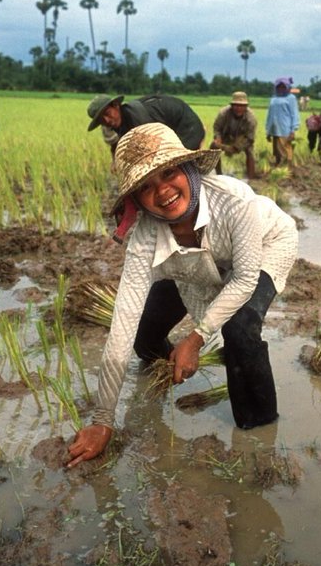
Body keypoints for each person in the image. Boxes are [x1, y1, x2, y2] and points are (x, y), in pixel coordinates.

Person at [66, 123, 298, 467]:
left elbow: (245, 278)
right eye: (146, 186)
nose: (162, 192)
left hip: (265, 246)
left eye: (169, 173)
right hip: (198, 263)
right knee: (143, 335)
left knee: (240, 329)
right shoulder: (145, 237)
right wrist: (102, 421)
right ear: (136, 199)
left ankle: (259, 429)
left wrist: (195, 339)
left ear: (189, 168)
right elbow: (123, 322)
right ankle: (169, 370)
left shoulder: (235, 200)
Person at [86, 93, 205, 154]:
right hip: (170, 127)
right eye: (101, 120)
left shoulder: (138, 119)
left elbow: (153, 150)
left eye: (107, 113)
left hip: (187, 125)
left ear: (116, 105)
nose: (106, 120)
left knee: (178, 164)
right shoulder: (119, 123)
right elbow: (116, 145)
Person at [211, 91, 258, 179]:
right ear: (232, 105)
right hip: (226, 136)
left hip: (242, 139)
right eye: (236, 105)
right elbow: (217, 128)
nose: (239, 108)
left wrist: (236, 147)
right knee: (214, 146)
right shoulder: (223, 113)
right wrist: (218, 138)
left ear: (246, 107)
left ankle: (251, 177)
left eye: (242, 106)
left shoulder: (251, 118)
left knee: (249, 151)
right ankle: (218, 174)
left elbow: (250, 138)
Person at [264, 77, 299, 169]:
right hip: (274, 128)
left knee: (284, 150)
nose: (281, 89)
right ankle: (278, 167)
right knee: (276, 150)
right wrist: (268, 130)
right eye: (279, 87)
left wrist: (293, 129)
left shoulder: (291, 98)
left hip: (285, 129)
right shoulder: (274, 98)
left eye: (283, 87)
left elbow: (294, 114)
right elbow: (270, 114)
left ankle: (286, 169)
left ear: (287, 87)